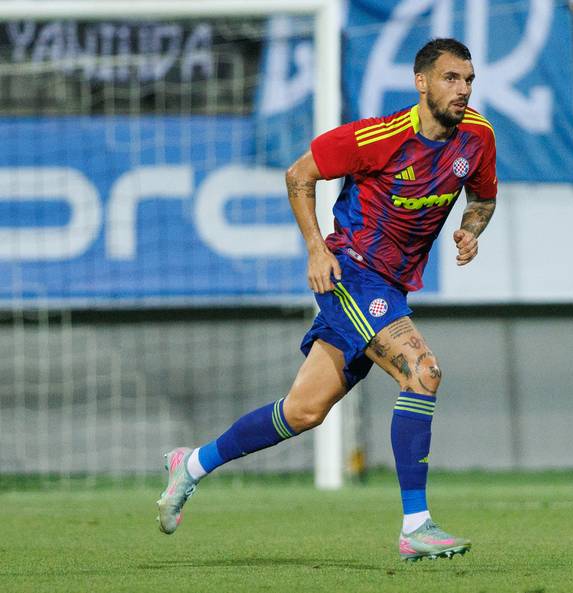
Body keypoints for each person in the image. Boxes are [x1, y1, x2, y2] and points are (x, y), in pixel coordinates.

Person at [156, 38, 497, 562]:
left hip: (391, 286)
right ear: (421, 82)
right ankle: (416, 525)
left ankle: (192, 464)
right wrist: (317, 249)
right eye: (452, 78)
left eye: (469, 79)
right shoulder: (377, 137)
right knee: (423, 371)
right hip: (354, 274)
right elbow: (298, 175)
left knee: (304, 410)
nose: (464, 89)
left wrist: (472, 229)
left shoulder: (476, 136)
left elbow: (483, 196)